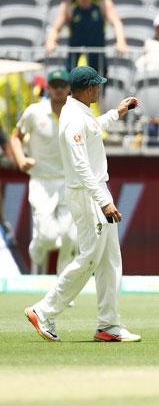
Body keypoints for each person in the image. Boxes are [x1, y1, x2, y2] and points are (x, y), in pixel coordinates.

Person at [24, 66, 140, 343]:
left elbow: (96, 128)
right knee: (90, 257)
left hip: (95, 191)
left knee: (110, 261)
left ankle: (108, 325)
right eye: (97, 86)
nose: (100, 89)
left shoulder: (80, 112)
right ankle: (43, 310)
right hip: (88, 194)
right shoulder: (73, 118)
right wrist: (104, 201)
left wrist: (119, 112)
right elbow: (80, 165)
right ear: (89, 89)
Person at [9, 70, 77, 276]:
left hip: (68, 181)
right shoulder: (34, 111)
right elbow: (15, 137)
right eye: (54, 85)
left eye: (62, 85)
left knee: (70, 238)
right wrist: (21, 160)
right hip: (41, 181)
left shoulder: (77, 113)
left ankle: (62, 286)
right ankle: (36, 250)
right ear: (48, 88)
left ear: (69, 88)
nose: (58, 89)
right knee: (47, 237)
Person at [45, 0, 127, 74]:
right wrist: (51, 41)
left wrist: (121, 42)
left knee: (98, 88)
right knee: (73, 88)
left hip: (97, 58)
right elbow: (55, 28)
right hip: (74, 57)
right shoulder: (68, 6)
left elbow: (117, 23)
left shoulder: (103, 4)